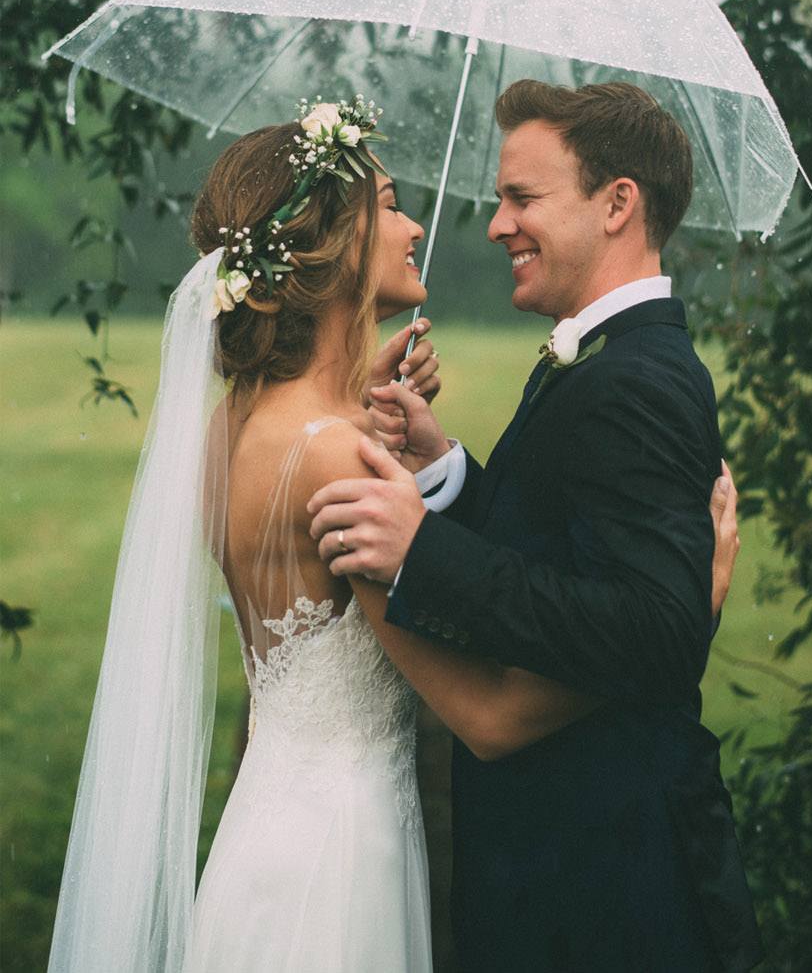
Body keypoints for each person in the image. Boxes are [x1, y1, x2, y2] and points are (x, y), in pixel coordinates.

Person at [48, 92, 739, 973]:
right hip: (338, 868)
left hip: (268, 830)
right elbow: (489, 715)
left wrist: (397, 441)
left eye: (520, 199)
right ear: (330, 248)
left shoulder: (235, 426)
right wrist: (693, 613)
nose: (420, 227)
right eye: (388, 205)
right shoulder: (338, 459)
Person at [308, 80, 764, 972]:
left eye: (523, 198)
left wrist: (423, 552)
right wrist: (446, 476)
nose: (496, 224)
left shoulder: (633, 381)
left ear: (617, 203)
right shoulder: (606, 361)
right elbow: (568, 550)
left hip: (606, 890)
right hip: (575, 871)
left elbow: (657, 631)